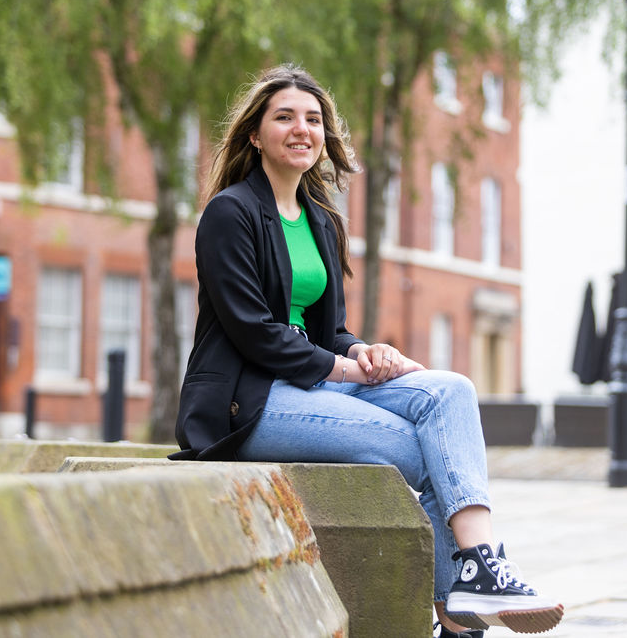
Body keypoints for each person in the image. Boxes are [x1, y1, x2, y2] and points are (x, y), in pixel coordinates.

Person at [171, 64, 563, 636]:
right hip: (247, 401)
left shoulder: (322, 220)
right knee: (420, 447)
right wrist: (344, 368)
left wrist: (368, 351)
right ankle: (460, 610)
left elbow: (329, 330)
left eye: (314, 119)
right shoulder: (230, 213)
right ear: (255, 133)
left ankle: (480, 570)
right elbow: (253, 331)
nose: (302, 129)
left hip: (312, 380)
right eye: (285, 117)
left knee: (451, 391)